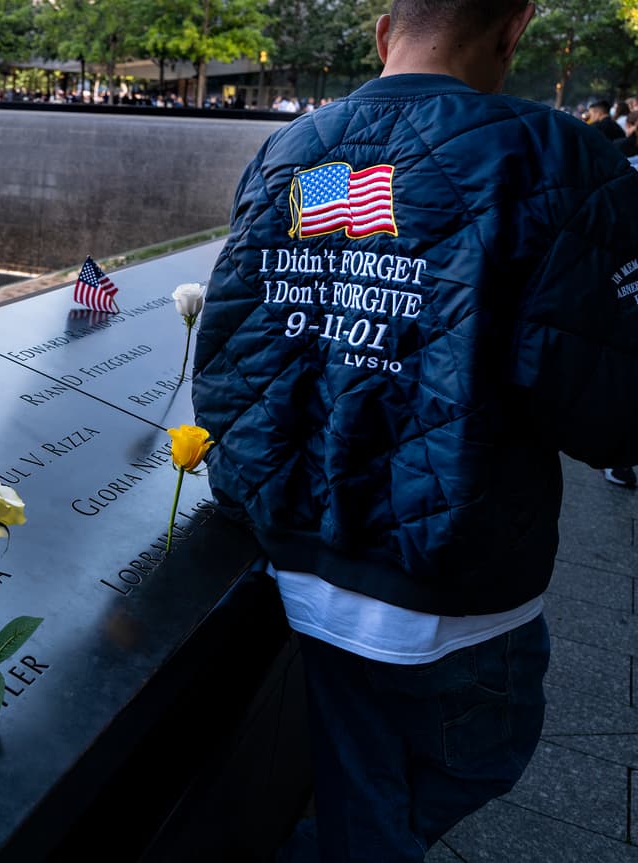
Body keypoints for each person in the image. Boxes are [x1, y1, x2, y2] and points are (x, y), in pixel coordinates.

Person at [191, 1, 638, 860]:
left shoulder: (301, 150)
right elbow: (608, 412)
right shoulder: (550, 155)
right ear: (515, 29)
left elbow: (234, 354)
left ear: (382, 31)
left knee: (367, 774)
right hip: (453, 587)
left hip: (308, 560)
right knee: (474, 761)